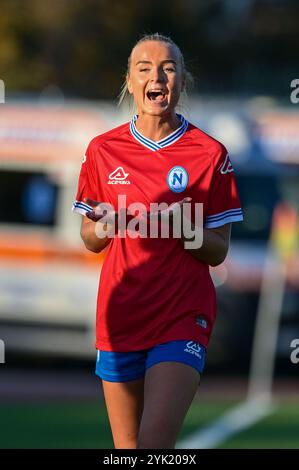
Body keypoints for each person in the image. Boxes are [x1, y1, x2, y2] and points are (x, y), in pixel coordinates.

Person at [72, 33, 243, 449]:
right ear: (130, 82)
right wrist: (106, 225)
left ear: (182, 81)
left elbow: (219, 247)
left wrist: (183, 228)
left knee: (153, 447)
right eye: (145, 68)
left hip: (181, 313)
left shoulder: (209, 154)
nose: (158, 77)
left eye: (168, 68)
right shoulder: (102, 150)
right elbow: (90, 238)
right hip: (120, 314)